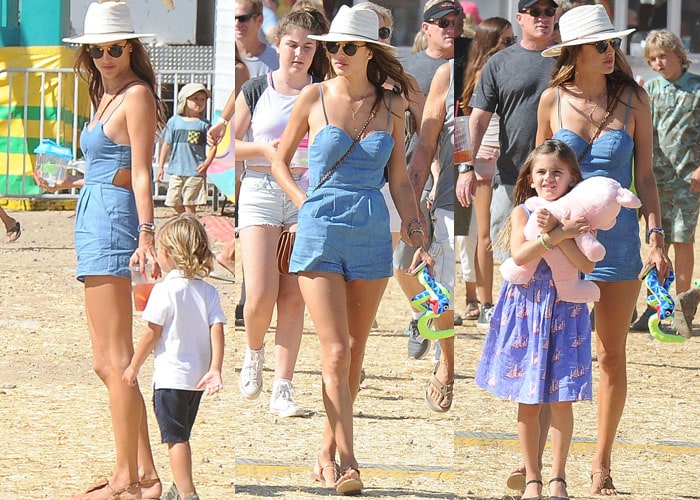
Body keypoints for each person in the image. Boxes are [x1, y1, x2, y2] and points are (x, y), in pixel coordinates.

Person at [271, 5, 433, 494]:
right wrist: (304, 204)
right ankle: (350, 461)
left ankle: (325, 446)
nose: (337, 54)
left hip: (369, 229)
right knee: (336, 352)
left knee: (355, 356)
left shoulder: (393, 106)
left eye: (348, 47)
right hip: (319, 230)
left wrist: (414, 223)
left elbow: (400, 178)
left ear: (370, 51)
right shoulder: (312, 97)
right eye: (332, 46)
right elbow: (279, 162)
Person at [536, 4, 671, 494]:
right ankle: (550, 469)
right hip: (558, 244)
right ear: (575, 51)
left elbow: (648, 178)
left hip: (616, 245)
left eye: (612, 43)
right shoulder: (551, 99)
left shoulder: (634, 99)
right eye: (600, 45)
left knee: (611, 355)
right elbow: (538, 171)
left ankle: (601, 462)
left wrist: (656, 236)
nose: (610, 51)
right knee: (556, 353)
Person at [62, 1, 167, 498]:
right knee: (107, 359)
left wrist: (148, 232)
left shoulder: (137, 95)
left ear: (132, 47)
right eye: (97, 49)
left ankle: (130, 476)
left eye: (115, 47)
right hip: (92, 215)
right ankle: (143, 476)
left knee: (115, 359)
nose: (106, 56)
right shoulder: (101, 91)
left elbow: (142, 170)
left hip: (116, 219)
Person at [475, 139, 593, 500]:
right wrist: (557, 235)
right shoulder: (522, 212)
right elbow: (520, 255)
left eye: (557, 172)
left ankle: (559, 478)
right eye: (541, 172)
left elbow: (587, 264)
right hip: (526, 310)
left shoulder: (581, 214)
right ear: (529, 177)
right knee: (528, 399)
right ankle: (533, 479)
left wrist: (567, 231)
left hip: (565, 310)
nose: (548, 178)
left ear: (573, 178)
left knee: (562, 399)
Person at [234, 6, 330, 416]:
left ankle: (283, 387)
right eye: (292, 45)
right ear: (278, 44)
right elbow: (226, 149)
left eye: (308, 48)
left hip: (305, 192)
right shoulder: (256, 89)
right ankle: (254, 353)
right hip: (259, 187)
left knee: (293, 296)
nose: (299, 54)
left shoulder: (324, 93)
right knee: (259, 293)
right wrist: (263, 150)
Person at [457, 0, 558, 330]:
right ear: (520, 19)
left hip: (563, 178)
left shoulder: (568, 58)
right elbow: (476, 121)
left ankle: (551, 319)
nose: (543, 18)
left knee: (557, 248)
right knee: (505, 249)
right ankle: (499, 312)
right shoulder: (499, 63)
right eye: (535, 12)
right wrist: (464, 167)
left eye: (548, 12)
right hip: (512, 175)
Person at [122, 214, 225, 500]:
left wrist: (133, 367)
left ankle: (187, 493)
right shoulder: (209, 291)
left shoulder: (164, 290)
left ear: (166, 255)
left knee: (175, 439)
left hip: (170, 379)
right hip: (197, 379)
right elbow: (217, 331)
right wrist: (215, 368)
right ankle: (178, 489)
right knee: (181, 434)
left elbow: (151, 333)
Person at [401, 0, 458, 358]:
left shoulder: (467, 69)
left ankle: (440, 341)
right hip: (405, 176)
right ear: (426, 28)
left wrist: (437, 176)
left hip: (445, 178)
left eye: (455, 21)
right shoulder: (409, 68)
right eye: (441, 22)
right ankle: (420, 308)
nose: (449, 28)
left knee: (446, 258)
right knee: (399, 261)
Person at [635, 29, 700, 338]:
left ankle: (684, 305)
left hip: (688, 179)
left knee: (684, 240)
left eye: (663, 56)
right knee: (658, 242)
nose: (658, 63)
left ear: (678, 54)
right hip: (656, 181)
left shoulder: (697, 88)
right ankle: (656, 305)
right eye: (652, 59)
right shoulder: (650, 91)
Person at [458, 17, 515, 322]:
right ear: (489, 42)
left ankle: (490, 300)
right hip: (483, 160)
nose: (511, 47)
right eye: (506, 41)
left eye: (512, 41)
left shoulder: (493, 69)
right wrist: (465, 162)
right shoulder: (481, 73)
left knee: (496, 234)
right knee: (484, 236)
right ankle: (485, 302)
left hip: (499, 158)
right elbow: (464, 121)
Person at [407, 59, 455, 412]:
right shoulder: (448, 72)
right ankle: (447, 363)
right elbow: (426, 142)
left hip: (521, 190)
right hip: (452, 197)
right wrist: (413, 207)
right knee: (444, 287)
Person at [156, 83, 213, 217]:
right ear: (184, 100)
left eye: (202, 99)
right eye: (195, 98)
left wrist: (207, 163)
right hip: (176, 169)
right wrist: (160, 167)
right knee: (173, 200)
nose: (199, 102)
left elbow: (214, 145)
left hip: (195, 171)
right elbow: (166, 144)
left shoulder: (204, 124)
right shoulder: (174, 121)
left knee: (190, 202)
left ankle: (192, 225)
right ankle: (188, 220)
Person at [236, 0, 280, 77]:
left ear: (259, 20)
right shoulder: (224, 56)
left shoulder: (276, 60)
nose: (236, 24)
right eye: (233, 18)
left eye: (243, 18)